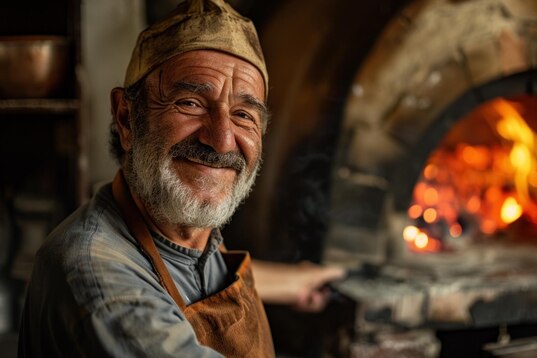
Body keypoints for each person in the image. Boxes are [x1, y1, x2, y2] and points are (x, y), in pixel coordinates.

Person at [18, 0, 344, 356]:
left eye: (243, 115)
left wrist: (296, 282)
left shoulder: (177, 228)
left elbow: (193, 270)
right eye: (190, 103)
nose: (221, 141)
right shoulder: (100, 284)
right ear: (127, 118)